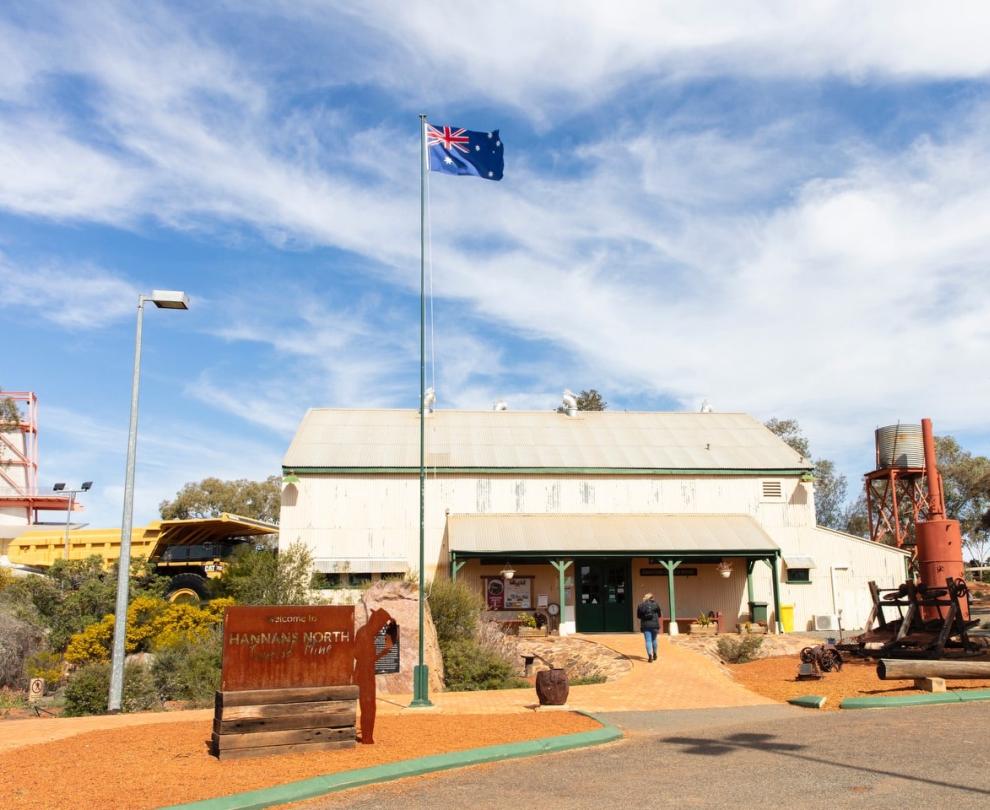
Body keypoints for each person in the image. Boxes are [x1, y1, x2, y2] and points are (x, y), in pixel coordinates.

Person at [637, 592, 662, 663]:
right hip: (655, 625)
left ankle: (650, 656)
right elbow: (659, 615)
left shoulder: (640, 605)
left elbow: (638, 616)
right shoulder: (656, 604)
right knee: (654, 640)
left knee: (648, 640)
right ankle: (655, 654)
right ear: (651, 598)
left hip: (645, 625)